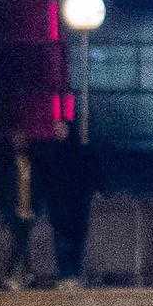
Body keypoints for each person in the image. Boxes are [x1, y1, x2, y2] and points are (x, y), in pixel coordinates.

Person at [32, 123, 96, 289]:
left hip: (78, 206)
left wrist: (85, 196)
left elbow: (89, 177)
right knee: (61, 240)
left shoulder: (81, 152)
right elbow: (46, 179)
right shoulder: (51, 152)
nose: (59, 132)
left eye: (62, 129)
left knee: (77, 240)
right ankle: (65, 275)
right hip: (59, 205)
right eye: (57, 129)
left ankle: (75, 274)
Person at [0, 134, 39, 288]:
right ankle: (22, 274)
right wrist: (8, 209)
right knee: (20, 242)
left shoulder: (32, 165)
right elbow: (5, 190)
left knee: (22, 242)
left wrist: (36, 207)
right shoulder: (8, 165)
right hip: (14, 211)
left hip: (28, 209)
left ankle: (19, 275)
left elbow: (36, 188)